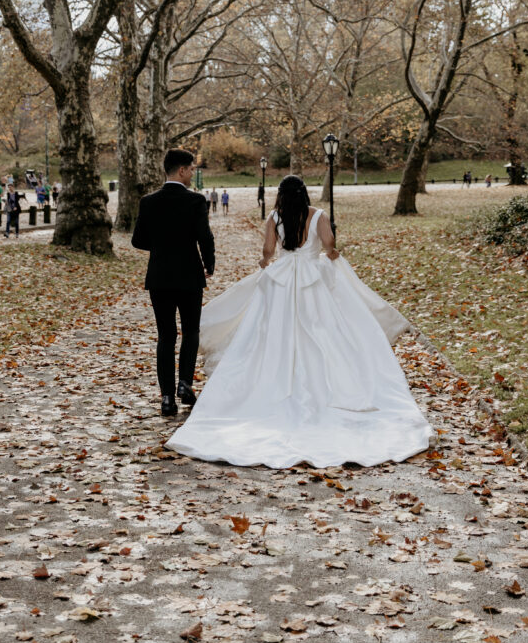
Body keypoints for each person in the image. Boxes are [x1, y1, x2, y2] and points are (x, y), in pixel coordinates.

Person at [166, 174, 433, 469]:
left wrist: (271, 260)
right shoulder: (318, 215)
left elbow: (268, 252)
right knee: (322, 330)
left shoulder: (274, 217)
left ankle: (273, 383)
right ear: (304, 193)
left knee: (270, 333)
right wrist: (329, 253)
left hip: (281, 279)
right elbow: (329, 245)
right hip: (311, 278)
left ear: (281, 195)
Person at [131, 148, 215, 417]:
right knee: (191, 331)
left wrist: (161, 248)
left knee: (166, 335)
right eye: (191, 169)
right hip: (189, 275)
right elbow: (205, 237)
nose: (192, 173)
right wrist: (209, 264)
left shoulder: (148, 202)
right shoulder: (196, 201)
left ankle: (167, 397)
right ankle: (185, 384)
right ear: (181, 170)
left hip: (159, 276)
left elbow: (138, 240)